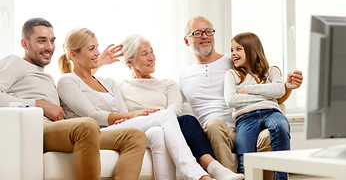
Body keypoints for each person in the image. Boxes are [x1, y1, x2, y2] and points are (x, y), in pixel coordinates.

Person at [57, 28, 225, 180]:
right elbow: (91, 114)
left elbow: (122, 113)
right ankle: (194, 172)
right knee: (165, 114)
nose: (97, 53)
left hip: (119, 129)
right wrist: (132, 115)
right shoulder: (67, 81)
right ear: (74, 55)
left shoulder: (108, 82)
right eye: (91, 49)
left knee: (157, 132)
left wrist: (127, 117)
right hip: (95, 133)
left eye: (97, 47)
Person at [0, 18, 147, 180]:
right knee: (87, 124)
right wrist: (40, 105)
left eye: (52, 41)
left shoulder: (48, 77)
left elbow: (80, 84)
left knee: (134, 136)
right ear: (24, 43)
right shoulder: (15, 62)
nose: (49, 47)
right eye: (41, 41)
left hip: (60, 131)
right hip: (36, 129)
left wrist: (98, 63)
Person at [179, 16, 303, 178]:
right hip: (216, 133)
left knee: (270, 134)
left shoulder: (233, 61)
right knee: (214, 124)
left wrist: (287, 87)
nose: (205, 36)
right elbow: (173, 109)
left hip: (248, 122)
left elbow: (272, 96)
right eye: (198, 33)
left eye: (209, 31)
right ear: (187, 41)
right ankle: (229, 176)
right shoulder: (183, 76)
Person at [117, 34, 244, 180]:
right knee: (161, 127)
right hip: (142, 131)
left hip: (169, 129)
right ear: (130, 62)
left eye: (152, 51)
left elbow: (174, 109)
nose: (151, 57)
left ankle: (214, 168)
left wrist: (163, 120)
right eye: (145, 54)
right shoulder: (121, 87)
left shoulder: (167, 83)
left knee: (187, 120)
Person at [225, 32, 290, 179]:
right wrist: (266, 94)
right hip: (245, 118)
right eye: (231, 50)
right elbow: (231, 100)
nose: (233, 53)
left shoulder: (271, 71)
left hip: (271, 112)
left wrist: (247, 90)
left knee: (281, 126)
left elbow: (279, 90)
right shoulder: (232, 74)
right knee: (245, 161)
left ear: (251, 49)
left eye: (238, 49)